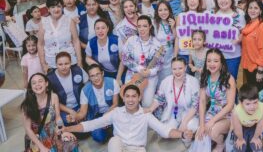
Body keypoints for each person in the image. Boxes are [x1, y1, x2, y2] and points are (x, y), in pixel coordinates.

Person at [63, 84, 193, 152]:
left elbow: (165, 130)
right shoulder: (116, 113)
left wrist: (183, 135)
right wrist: (68, 128)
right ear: (123, 98)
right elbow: (92, 124)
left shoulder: (146, 115)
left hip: (137, 149)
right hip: (118, 146)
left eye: (134, 96)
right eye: (128, 96)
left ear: (139, 98)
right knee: (113, 140)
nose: (130, 100)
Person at [145, 57, 199, 146]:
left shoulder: (193, 81)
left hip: (188, 112)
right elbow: (159, 99)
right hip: (172, 112)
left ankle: (187, 144)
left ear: (185, 68)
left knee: (190, 127)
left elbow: (195, 105)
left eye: (180, 68)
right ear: (171, 69)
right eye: (174, 69)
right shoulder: (166, 81)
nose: (177, 72)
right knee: (166, 132)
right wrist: (150, 109)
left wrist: (185, 122)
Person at [21, 73, 78, 152]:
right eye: (34, 83)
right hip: (36, 136)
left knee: (71, 141)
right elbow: (28, 129)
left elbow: (58, 117)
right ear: (31, 87)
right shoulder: (27, 105)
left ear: (46, 83)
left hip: (52, 130)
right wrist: (42, 147)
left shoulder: (54, 97)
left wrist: (62, 130)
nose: (37, 84)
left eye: (40, 81)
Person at [196, 49, 236, 152]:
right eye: (209, 61)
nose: (212, 64)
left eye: (215, 61)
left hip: (227, 113)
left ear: (221, 63)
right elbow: (202, 101)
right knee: (200, 133)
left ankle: (221, 144)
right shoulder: (204, 76)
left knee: (212, 131)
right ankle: (217, 137)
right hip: (212, 111)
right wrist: (202, 124)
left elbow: (230, 105)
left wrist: (212, 121)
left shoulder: (229, 78)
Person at [121, 15, 163, 107]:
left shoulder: (157, 44)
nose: (141, 29)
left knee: (147, 104)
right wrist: (138, 68)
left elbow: (160, 64)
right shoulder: (131, 41)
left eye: (144, 26)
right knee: (130, 101)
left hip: (150, 77)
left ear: (150, 26)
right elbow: (124, 58)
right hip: (133, 74)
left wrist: (150, 72)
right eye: (139, 26)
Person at [74, 64, 119, 143]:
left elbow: (115, 104)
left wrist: (106, 117)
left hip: (111, 111)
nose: (96, 78)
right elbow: (83, 113)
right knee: (98, 137)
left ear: (102, 73)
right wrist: (75, 117)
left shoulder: (112, 82)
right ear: (89, 78)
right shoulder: (85, 90)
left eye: (97, 74)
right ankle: (108, 130)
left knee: (123, 128)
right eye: (92, 76)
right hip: (96, 115)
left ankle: (110, 129)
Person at [38, 0, 82, 71]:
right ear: (48, 9)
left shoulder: (69, 21)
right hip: (51, 63)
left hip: (69, 61)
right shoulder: (43, 22)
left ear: (62, 7)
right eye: (52, 7)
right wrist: (43, 64)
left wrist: (80, 61)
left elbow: (76, 41)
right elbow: (40, 44)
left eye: (58, 6)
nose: (56, 9)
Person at [47, 52, 88, 126]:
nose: (63, 67)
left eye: (66, 63)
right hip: (63, 108)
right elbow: (52, 100)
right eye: (60, 64)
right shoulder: (50, 78)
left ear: (71, 63)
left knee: (88, 119)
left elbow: (88, 88)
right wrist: (71, 111)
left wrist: (82, 109)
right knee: (69, 121)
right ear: (56, 65)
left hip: (81, 104)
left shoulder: (78, 70)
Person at [214, 0, 245, 80]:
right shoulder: (212, 14)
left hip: (233, 56)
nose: (223, 1)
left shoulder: (239, 14)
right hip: (216, 56)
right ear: (216, 0)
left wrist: (237, 40)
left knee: (230, 82)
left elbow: (244, 32)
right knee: (217, 82)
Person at [241, 0, 263, 91]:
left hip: (257, 69)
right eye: (250, 7)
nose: (252, 10)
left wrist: (260, 70)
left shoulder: (262, 26)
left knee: (259, 96)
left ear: (260, 11)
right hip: (248, 66)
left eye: (256, 8)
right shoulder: (248, 24)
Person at [231, 83, 263, 152]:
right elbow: (237, 128)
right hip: (241, 127)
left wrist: (256, 137)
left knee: (256, 147)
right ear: (241, 103)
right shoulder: (236, 112)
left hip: (255, 126)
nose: (252, 107)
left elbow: (261, 125)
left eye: (255, 102)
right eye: (248, 104)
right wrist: (240, 139)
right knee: (240, 147)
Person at [154, 1, 176, 85]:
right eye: (160, 10)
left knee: (169, 80)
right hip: (159, 56)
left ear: (169, 10)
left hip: (170, 55)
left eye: (165, 9)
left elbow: (176, 38)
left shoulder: (172, 21)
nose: (163, 12)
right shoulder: (155, 23)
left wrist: (173, 27)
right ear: (157, 12)